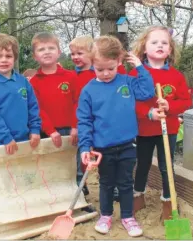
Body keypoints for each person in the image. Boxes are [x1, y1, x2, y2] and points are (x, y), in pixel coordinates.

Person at [78, 35, 155, 237]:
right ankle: (106, 215)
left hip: (128, 145)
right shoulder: (88, 91)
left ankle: (128, 217)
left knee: (125, 183)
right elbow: (84, 121)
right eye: (100, 69)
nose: (105, 73)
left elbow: (147, 92)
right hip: (102, 148)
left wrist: (140, 67)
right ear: (92, 64)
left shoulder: (127, 82)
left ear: (119, 61)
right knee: (106, 183)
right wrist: (85, 147)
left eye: (110, 68)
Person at [130, 26, 192, 221]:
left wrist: (170, 105)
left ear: (170, 49)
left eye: (164, 43)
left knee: (167, 165)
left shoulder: (177, 76)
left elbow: (185, 101)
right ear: (144, 48)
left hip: (169, 129)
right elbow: (130, 102)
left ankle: (168, 200)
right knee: (143, 163)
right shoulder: (135, 74)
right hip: (145, 129)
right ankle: (137, 195)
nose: (160, 45)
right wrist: (148, 113)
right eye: (154, 42)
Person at [30, 32, 94, 212]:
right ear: (35, 55)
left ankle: (79, 200)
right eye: (41, 49)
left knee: (75, 167)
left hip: (72, 130)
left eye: (51, 48)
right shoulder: (34, 81)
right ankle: (56, 202)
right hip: (49, 132)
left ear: (59, 52)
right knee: (53, 167)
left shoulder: (71, 77)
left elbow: (78, 102)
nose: (47, 52)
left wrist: (75, 126)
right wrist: (51, 131)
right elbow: (38, 109)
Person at [69, 35, 127, 198]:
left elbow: (120, 74)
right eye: (72, 54)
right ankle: (83, 183)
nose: (75, 57)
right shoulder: (74, 77)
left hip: (104, 124)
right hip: (87, 124)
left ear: (93, 54)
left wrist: (118, 58)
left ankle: (112, 185)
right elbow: (75, 105)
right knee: (83, 154)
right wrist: (75, 126)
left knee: (107, 157)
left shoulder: (104, 72)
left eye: (79, 53)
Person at [0, 33, 41, 154]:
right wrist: (6, 137)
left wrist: (35, 130)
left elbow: (33, 107)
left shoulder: (23, 81)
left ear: (15, 57)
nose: (4, 60)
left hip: (24, 141)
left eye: (8, 56)